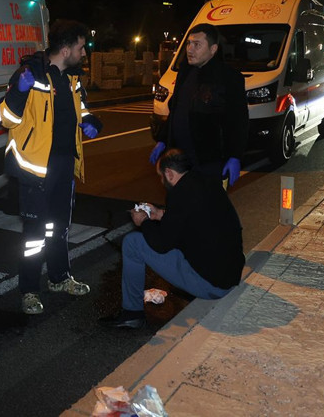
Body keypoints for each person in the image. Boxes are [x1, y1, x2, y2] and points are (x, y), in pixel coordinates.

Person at [0, 19, 103, 315]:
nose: (84, 53)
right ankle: (29, 290)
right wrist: (18, 91)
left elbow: (81, 107)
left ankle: (59, 278)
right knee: (33, 236)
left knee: (58, 229)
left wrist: (91, 119)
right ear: (66, 48)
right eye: (81, 47)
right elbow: (5, 118)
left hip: (65, 166)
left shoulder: (73, 78)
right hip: (36, 169)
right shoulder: (30, 74)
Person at [102, 148, 245, 329]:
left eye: (161, 176)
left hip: (212, 285)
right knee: (181, 240)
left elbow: (162, 244)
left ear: (169, 173)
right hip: (230, 275)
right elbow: (190, 218)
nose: (161, 181)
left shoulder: (179, 194)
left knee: (133, 243)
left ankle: (132, 314)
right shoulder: (206, 182)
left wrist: (144, 221)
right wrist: (160, 214)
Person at [149, 23, 248, 188]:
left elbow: (238, 120)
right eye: (188, 43)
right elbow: (176, 110)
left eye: (197, 45)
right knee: (180, 204)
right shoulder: (185, 72)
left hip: (208, 160)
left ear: (213, 49)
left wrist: (235, 155)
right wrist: (163, 140)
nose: (190, 49)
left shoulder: (229, 78)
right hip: (179, 160)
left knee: (207, 207)